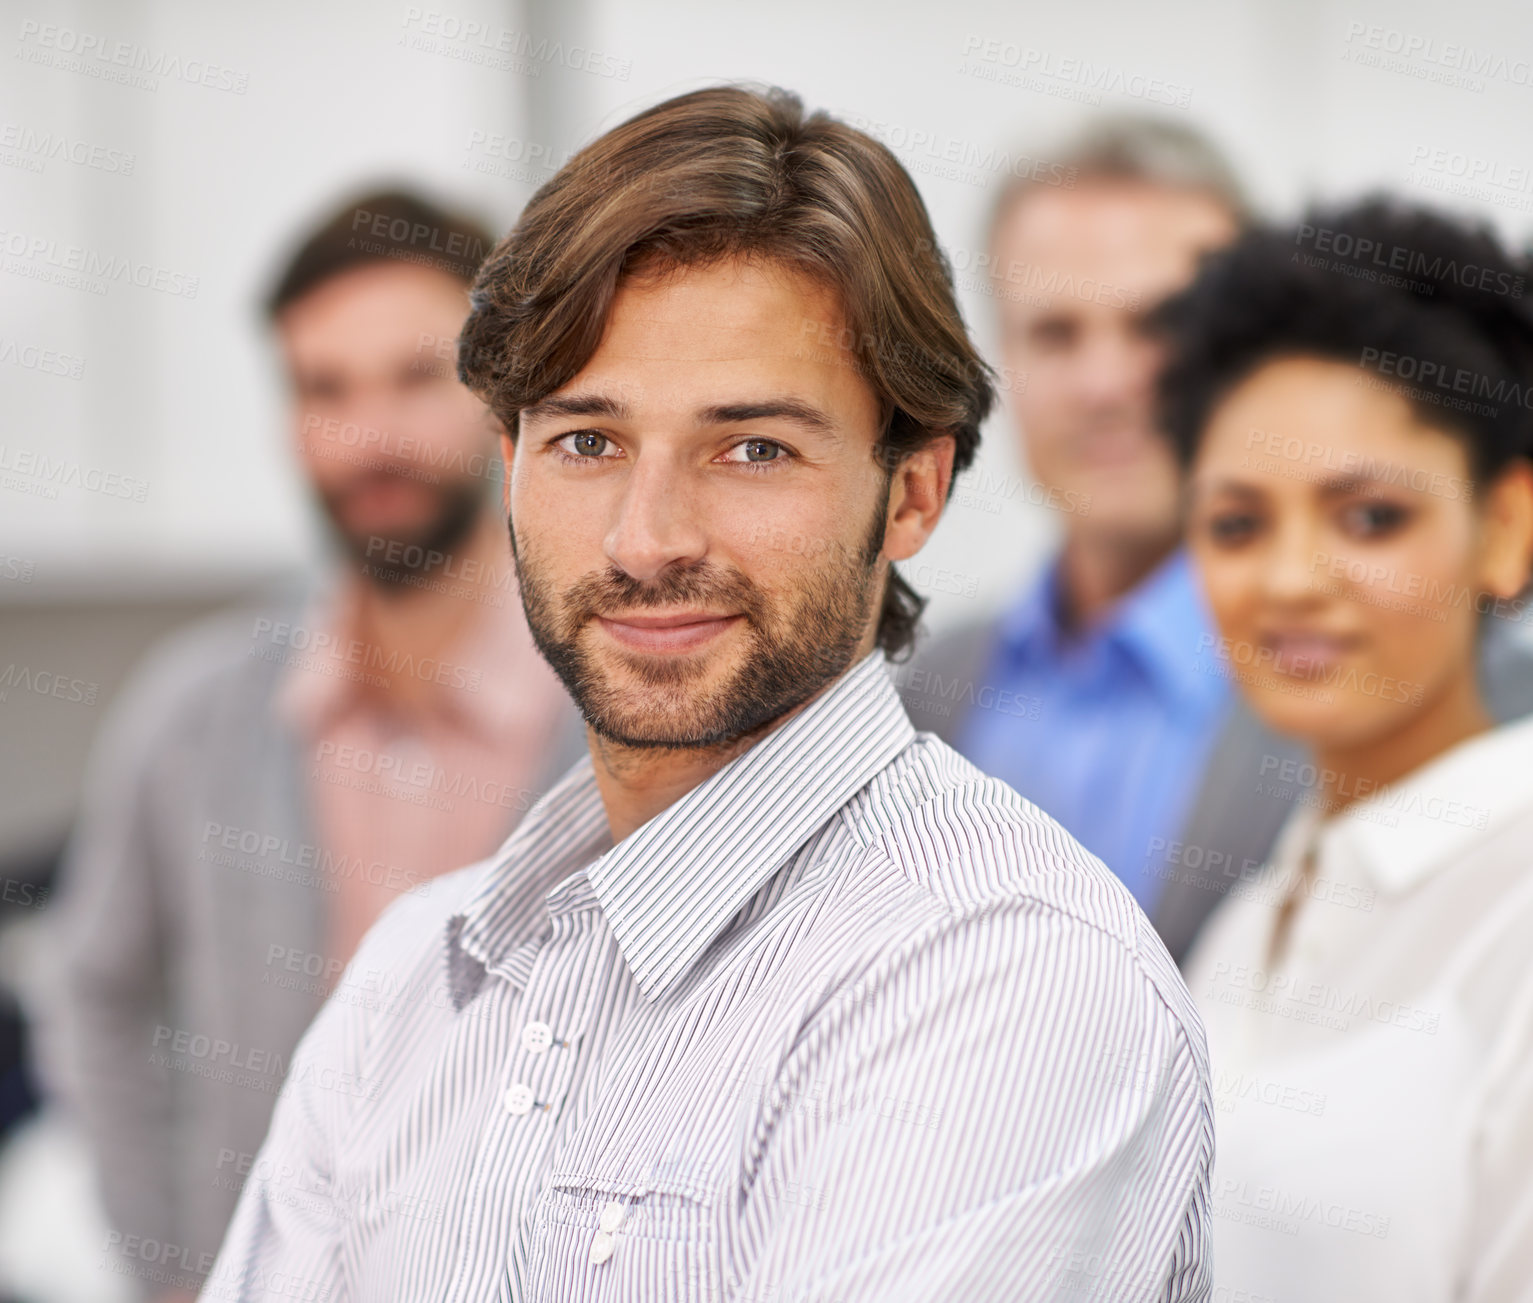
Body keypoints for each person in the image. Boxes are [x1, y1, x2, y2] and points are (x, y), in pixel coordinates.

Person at [204, 86, 1214, 1302]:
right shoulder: (412, 980)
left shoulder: (1007, 980)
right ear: (509, 466)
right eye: (588, 440)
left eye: (753, 448)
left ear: (913, 492)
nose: (645, 538)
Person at [44, 190, 581, 1301]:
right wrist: (178, 1266)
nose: (370, 434)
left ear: (507, 401)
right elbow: (92, 987)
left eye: (415, 376)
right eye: (323, 388)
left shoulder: (620, 713)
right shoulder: (195, 715)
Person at [1163, 198, 1533, 1300]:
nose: (1288, 580)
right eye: (1237, 523)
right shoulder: (1246, 919)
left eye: (1369, 517)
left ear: (1507, 530)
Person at [903, 116, 1251, 929]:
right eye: (1055, 334)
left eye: (1159, 326)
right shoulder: (924, 691)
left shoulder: (1389, 680)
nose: (1106, 383)